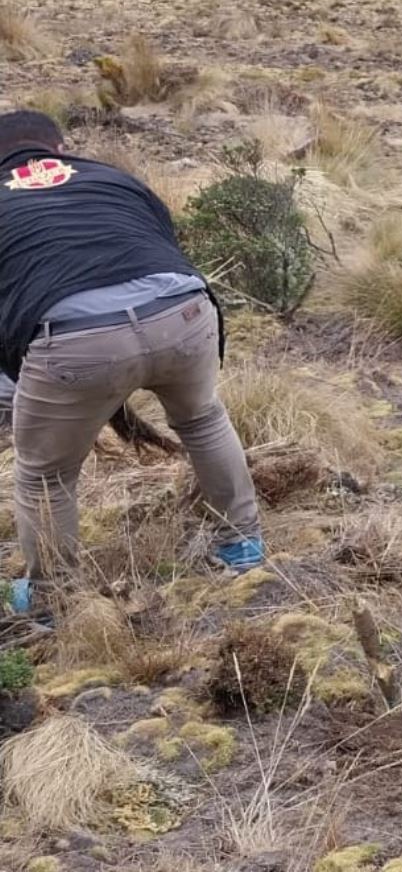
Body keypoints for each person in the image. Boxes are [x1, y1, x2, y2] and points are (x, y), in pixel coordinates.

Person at [0, 111, 264, 614]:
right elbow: (162, 241)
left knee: (43, 475)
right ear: (60, 145)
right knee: (203, 419)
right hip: (182, 310)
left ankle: (55, 602)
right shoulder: (112, 177)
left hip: (74, 338)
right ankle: (243, 545)